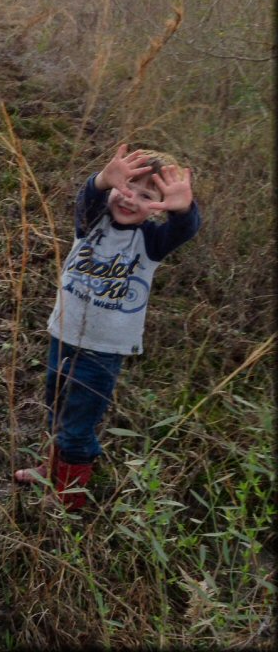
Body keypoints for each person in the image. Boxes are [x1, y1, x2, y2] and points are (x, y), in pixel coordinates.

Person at [14, 143, 201, 511]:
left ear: (158, 207)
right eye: (125, 187)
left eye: (146, 195)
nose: (130, 199)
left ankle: (68, 496)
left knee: (79, 420)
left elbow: (184, 228)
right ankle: (50, 466)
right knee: (55, 405)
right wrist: (101, 180)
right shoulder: (90, 224)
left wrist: (184, 210)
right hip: (63, 333)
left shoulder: (151, 240)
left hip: (104, 349)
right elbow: (87, 199)